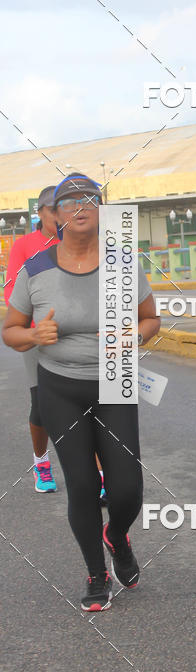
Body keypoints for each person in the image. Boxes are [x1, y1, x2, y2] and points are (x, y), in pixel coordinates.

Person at [2, 173, 160, 610]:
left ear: (102, 210)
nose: (80, 206)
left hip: (114, 379)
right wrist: (34, 336)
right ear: (55, 214)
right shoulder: (37, 269)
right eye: (69, 201)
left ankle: (117, 535)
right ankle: (96, 573)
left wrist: (134, 336)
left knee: (127, 488)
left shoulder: (123, 263)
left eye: (90, 198)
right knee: (83, 484)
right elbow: (10, 331)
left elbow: (151, 319)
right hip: (59, 387)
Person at [3, 186, 59, 492]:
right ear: (40, 213)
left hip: (79, 335)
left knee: (92, 402)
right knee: (41, 405)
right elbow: (13, 290)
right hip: (37, 335)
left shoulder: (77, 240)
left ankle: (99, 474)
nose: (62, 215)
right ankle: (41, 463)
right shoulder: (25, 246)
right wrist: (33, 328)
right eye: (54, 209)